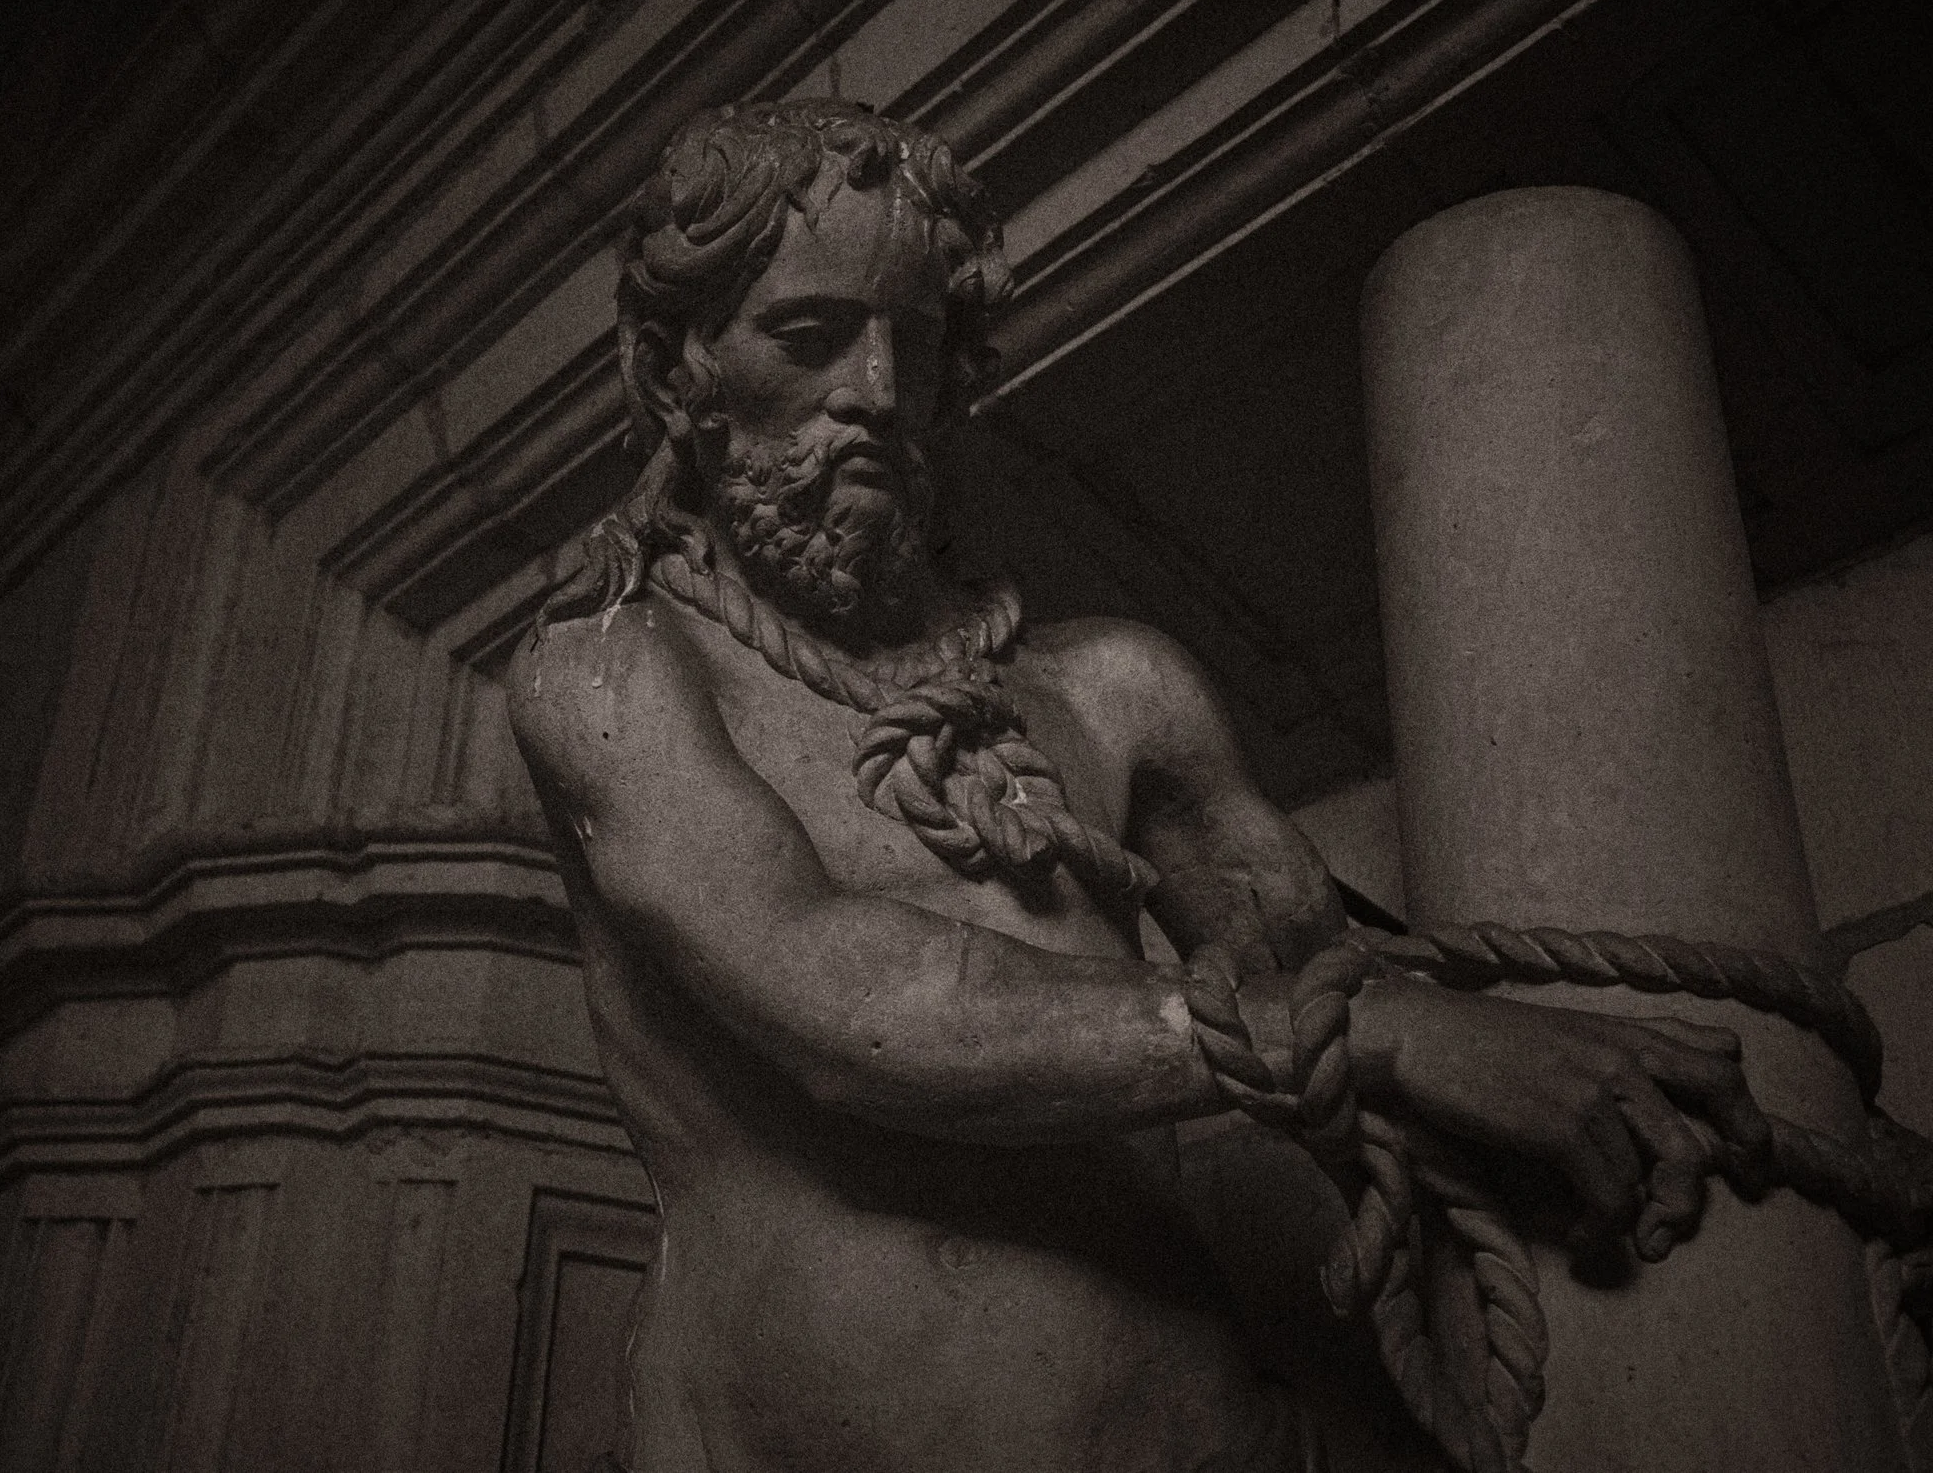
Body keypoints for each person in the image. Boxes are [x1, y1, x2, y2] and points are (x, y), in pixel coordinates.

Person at [507, 100, 1770, 1473]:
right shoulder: (612, 671)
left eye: (915, 342)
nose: (874, 388)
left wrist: (1554, 1064)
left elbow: (1333, 996)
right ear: (671, 367)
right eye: (809, 337)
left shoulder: (1114, 693)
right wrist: (1380, 1038)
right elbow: (846, 1003)